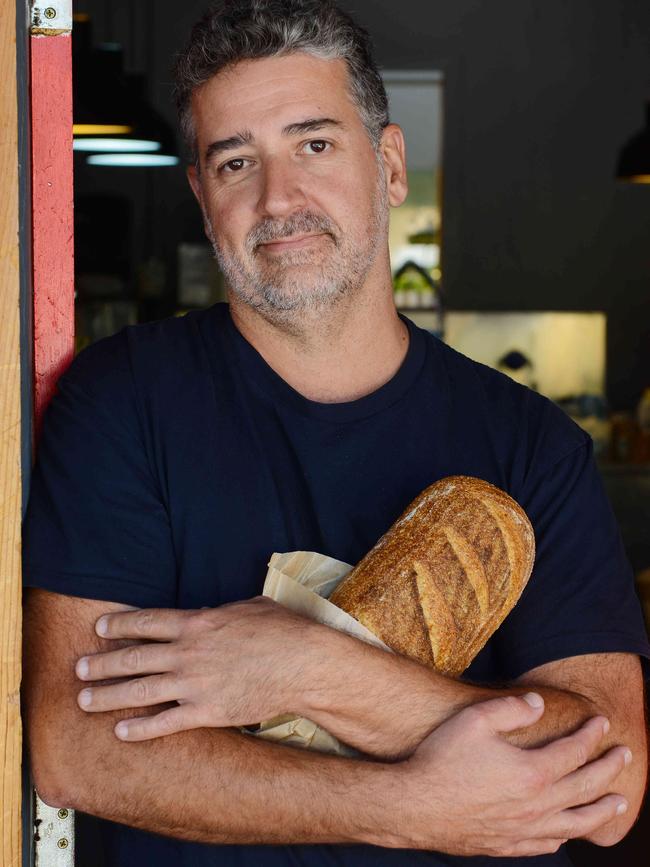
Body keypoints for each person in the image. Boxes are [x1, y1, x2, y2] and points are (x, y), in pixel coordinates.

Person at [23, 1, 649, 865]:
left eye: (314, 144)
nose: (279, 199)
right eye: (236, 161)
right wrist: (405, 805)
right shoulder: (121, 402)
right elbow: (76, 751)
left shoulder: (532, 448)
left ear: (389, 166)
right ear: (204, 199)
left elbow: (609, 788)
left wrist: (306, 667)